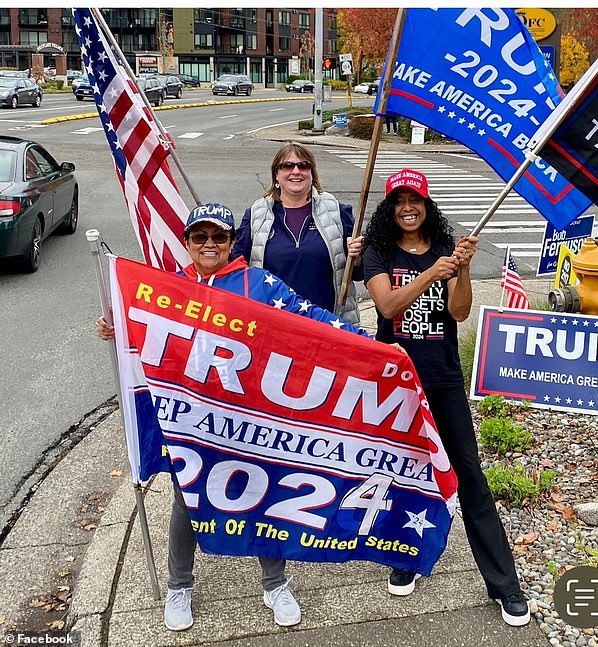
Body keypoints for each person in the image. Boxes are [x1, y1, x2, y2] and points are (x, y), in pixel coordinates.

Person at [97, 202, 373, 633]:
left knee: (263, 494)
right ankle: (179, 586)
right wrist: (118, 327)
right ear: (187, 243)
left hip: (252, 419)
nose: (209, 244)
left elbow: (313, 321)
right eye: (200, 237)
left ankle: (275, 584)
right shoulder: (169, 288)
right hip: (190, 419)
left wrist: (368, 345)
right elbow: (143, 326)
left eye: (219, 237)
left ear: (232, 242)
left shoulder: (259, 284)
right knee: (186, 497)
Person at [362, 169, 531, 628]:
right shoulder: (379, 252)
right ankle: (405, 558)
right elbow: (387, 307)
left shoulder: (444, 251)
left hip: (443, 378)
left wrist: (463, 270)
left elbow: (458, 311)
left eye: (414, 199)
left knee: (470, 474)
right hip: (397, 381)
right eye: (398, 201)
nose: (407, 208)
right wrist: (432, 273)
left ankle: (504, 585)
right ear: (390, 208)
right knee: (401, 472)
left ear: (426, 204)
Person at [230, 141, 363, 325]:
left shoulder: (336, 212)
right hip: (273, 326)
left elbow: (357, 273)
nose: (296, 171)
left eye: (303, 165)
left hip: (328, 325)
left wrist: (357, 258)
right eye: (287, 166)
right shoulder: (255, 215)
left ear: (312, 173)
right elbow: (235, 268)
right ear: (276, 175)